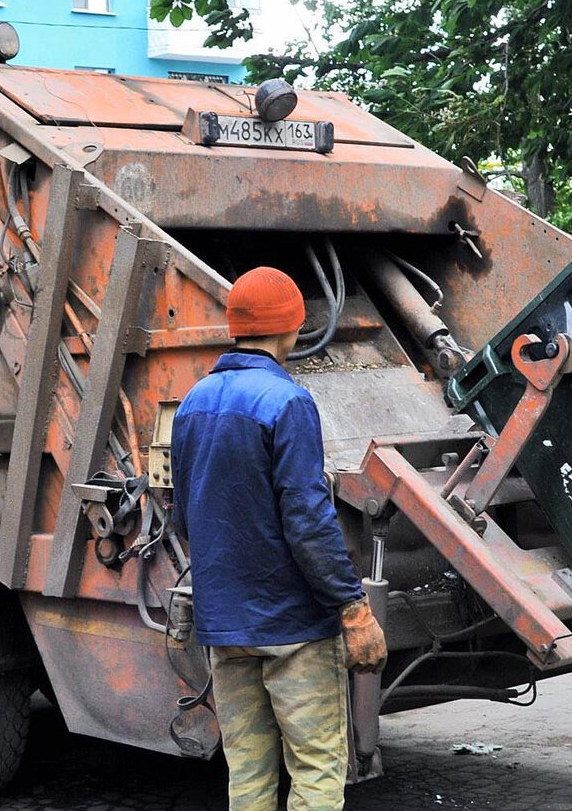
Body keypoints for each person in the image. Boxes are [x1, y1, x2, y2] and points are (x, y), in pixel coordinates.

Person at [170, 265, 388, 811]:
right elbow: (309, 521)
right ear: (291, 326)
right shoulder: (288, 402)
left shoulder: (192, 403)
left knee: (247, 772)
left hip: (225, 625)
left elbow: (183, 516)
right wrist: (353, 609)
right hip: (293, 625)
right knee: (316, 768)